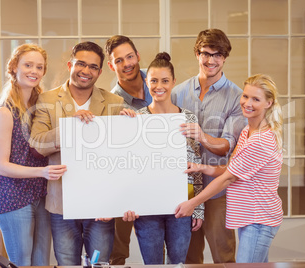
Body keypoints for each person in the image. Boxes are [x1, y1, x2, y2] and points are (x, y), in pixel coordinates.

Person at [29, 41, 124, 266]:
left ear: (100, 72)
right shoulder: (46, 99)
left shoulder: (115, 102)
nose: (86, 71)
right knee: (67, 264)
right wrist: (69, 129)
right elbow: (37, 143)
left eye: (93, 67)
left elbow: (120, 156)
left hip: (101, 204)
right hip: (62, 204)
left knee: (100, 264)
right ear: (71, 64)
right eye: (81, 64)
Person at [175, 73, 283, 263]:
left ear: (268, 103)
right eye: (246, 96)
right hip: (250, 218)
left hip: (258, 220)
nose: (247, 103)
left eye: (256, 99)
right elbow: (230, 169)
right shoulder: (247, 132)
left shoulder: (260, 140)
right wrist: (201, 167)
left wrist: (192, 203)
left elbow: (228, 178)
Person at [120, 52, 204, 264]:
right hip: (147, 208)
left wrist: (197, 206)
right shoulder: (137, 119)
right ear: (147, 82)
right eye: (154, 80)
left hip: (180, 206)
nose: (160, 86)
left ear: (173, 82)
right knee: (153, 265)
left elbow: (195, 166)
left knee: (178, 264)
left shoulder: (188, 118)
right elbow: (129, 168)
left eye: (165, 81)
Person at [171, 28, 246, 263]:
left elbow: (226, 147)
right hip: (183, 190)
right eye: (206, 53)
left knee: (223, 257)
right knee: (188, 258)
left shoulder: (236, 97)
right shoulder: (177, 92)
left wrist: (202, 136)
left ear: (224, 58)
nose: (210, 60)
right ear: (197, 53)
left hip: (217, 192)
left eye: (217, 55)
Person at [0, 43, 67, 266]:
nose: (34, 71)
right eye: (28, 65)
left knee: (41, 262)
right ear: (14, 67)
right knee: (22, 263)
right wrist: (42, 171)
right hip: (12, 197)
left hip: (41, 194)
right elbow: (2, 166)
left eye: (39, 67)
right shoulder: (5, 111)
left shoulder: (41, 107)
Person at [105, 35, 152, 265]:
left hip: (156, 181)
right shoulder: (109, 103)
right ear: (111, 66)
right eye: (119, 60)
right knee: (117, 251)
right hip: (124, 184)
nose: (127, 64)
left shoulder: (160, 84)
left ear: (138, 56)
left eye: (130, 56)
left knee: (157, 247)